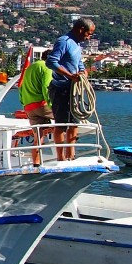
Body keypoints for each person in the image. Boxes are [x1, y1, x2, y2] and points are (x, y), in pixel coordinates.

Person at [46, 17, 95, 161]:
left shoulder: (77, 45)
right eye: (89, 34)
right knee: (61, 124)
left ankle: (70, 155)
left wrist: (82, 72)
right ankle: (60, 158)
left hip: (73, 90)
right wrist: (69, 75)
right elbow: (51, 61)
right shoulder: (64, 41)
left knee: (74, 122)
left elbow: (78, 63)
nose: (89, 37)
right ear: (81, 29)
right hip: (61, 89)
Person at [18, 49, 53, 166]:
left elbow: (21, 87)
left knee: (38, 136)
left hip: (29, 107)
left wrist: (24, 103)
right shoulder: (47, 67)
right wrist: (51, 104)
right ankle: (66, 157)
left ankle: (36, 163)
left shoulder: (30, 68)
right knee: (65, 122)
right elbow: (46, 87)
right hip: (42, 105)